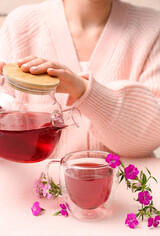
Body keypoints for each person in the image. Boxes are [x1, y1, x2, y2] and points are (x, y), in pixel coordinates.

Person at [0, 0, 160, 159]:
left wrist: (84, 90)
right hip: (34, 183)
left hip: (127, 184)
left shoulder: (153, 26)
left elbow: (153, 133)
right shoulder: (19, 24)